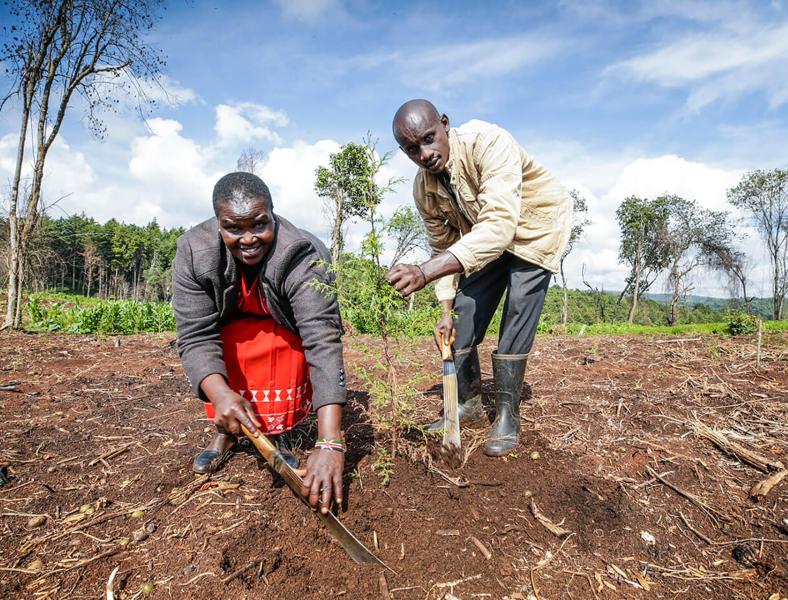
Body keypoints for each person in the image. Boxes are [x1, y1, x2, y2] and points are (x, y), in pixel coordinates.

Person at [387, 99, 572, 457]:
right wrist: (445, 309)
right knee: (463, 314)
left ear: (444, 124)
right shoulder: (423, 188)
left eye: (429, 138)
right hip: (485, 239)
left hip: (535, 227)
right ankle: (466, 406)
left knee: (517, 313)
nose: (424, 154)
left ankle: (507, 416)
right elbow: (442, 247)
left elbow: (501, 225)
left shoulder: (487, 142)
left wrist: (423, 273)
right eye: (412, 149)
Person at [172, 172, 347, 514]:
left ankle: (275, 432)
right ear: (218, 222)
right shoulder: (194, 251)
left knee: (283, 346)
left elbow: (322, 338)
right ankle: (225, 431)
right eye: (233, 228)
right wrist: (222, 396)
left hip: (283, 330)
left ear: (272, 214)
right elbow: (195, 335)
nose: (248, 239)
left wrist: (329, 441)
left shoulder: (302, 253)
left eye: (259, 225)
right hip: (230, 331)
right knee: (226, 356)